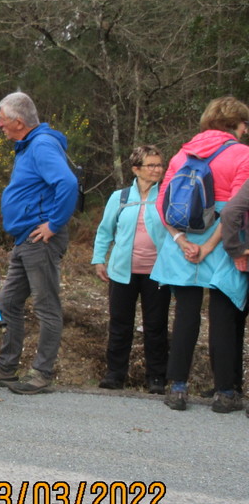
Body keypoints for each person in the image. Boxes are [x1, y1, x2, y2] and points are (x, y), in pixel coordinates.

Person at [0, 91, 78, 395]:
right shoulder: (29, 146)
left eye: (2, 120)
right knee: (8, 302)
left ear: (18, 122)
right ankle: (7, 367)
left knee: (46, 305)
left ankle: (42, 373)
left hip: (39, 238)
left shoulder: (42, 145)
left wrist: (54, 224)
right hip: (25, 238)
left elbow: (67, 183)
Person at [154, 96, 249, 413]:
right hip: (223, 243)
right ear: (237, 125)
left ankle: (177, 388)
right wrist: (209, 247)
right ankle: (225, 392)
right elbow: (235, 209)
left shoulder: (183, 154)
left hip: (182, 241)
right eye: (244, 124)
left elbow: (162, 204)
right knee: (223, 317)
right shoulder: (242, 154)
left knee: (185, 314)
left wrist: (181, 240)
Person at [90, 145, 170, 393]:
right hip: (122, 271)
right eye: (151, 165)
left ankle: (156, 378)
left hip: (158, 272)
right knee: (120, 324)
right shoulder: (120, 197)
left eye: (159, 165)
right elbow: (105, 231)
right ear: (136, 169)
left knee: (156, 326)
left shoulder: (167, 196)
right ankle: (115, 375)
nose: (157, 169)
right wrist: (99, 259)